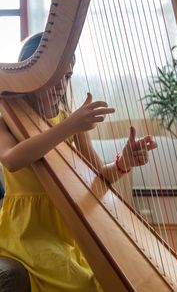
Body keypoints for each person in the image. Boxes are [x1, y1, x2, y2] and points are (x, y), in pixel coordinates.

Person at [0, 33, 157, 291]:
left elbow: (98, 177)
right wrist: (68, 126)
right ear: (32, 77)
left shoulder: (71, 121)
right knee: (84, 285)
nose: (61, 85)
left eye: (67, 76)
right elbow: (12, 160)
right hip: (26, 232)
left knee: (104, 280)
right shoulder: (6, 121)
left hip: (66, 230)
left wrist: (123, 161)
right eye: (54, 77)